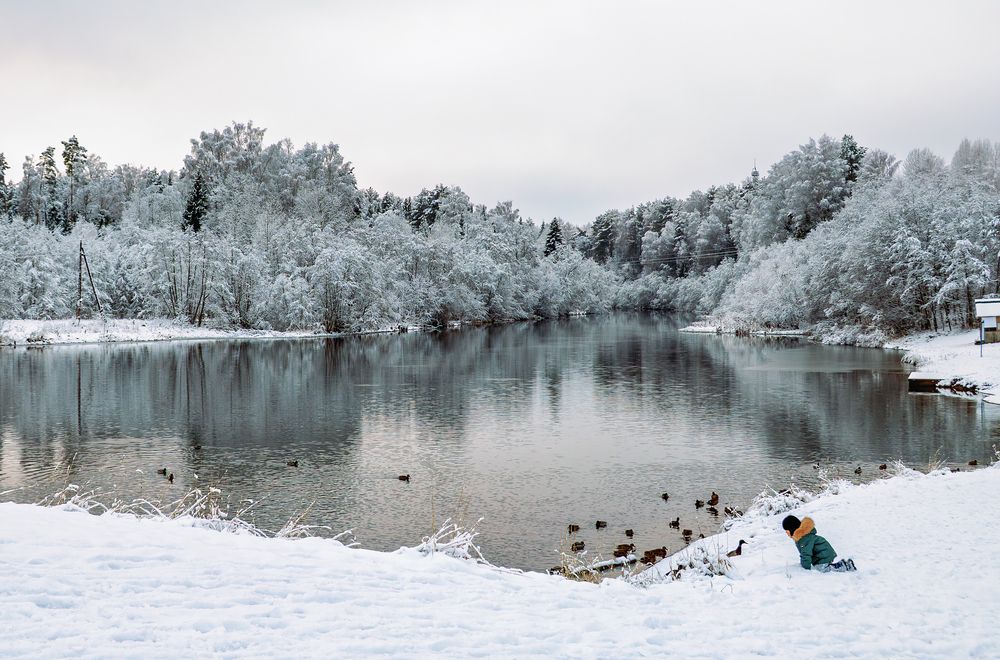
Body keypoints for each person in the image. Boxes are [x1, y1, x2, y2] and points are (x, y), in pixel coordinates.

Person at [782, 515, 856, 572]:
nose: (786, 533)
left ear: (792, 529)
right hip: (822, 555)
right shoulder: (802, 537)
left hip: (824, 555)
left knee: (822, 569)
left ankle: (845, 566)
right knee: (820, 567)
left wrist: (804, 569)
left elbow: (806, 554)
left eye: (787, 531)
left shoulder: (804, 539)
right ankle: (842, 564)